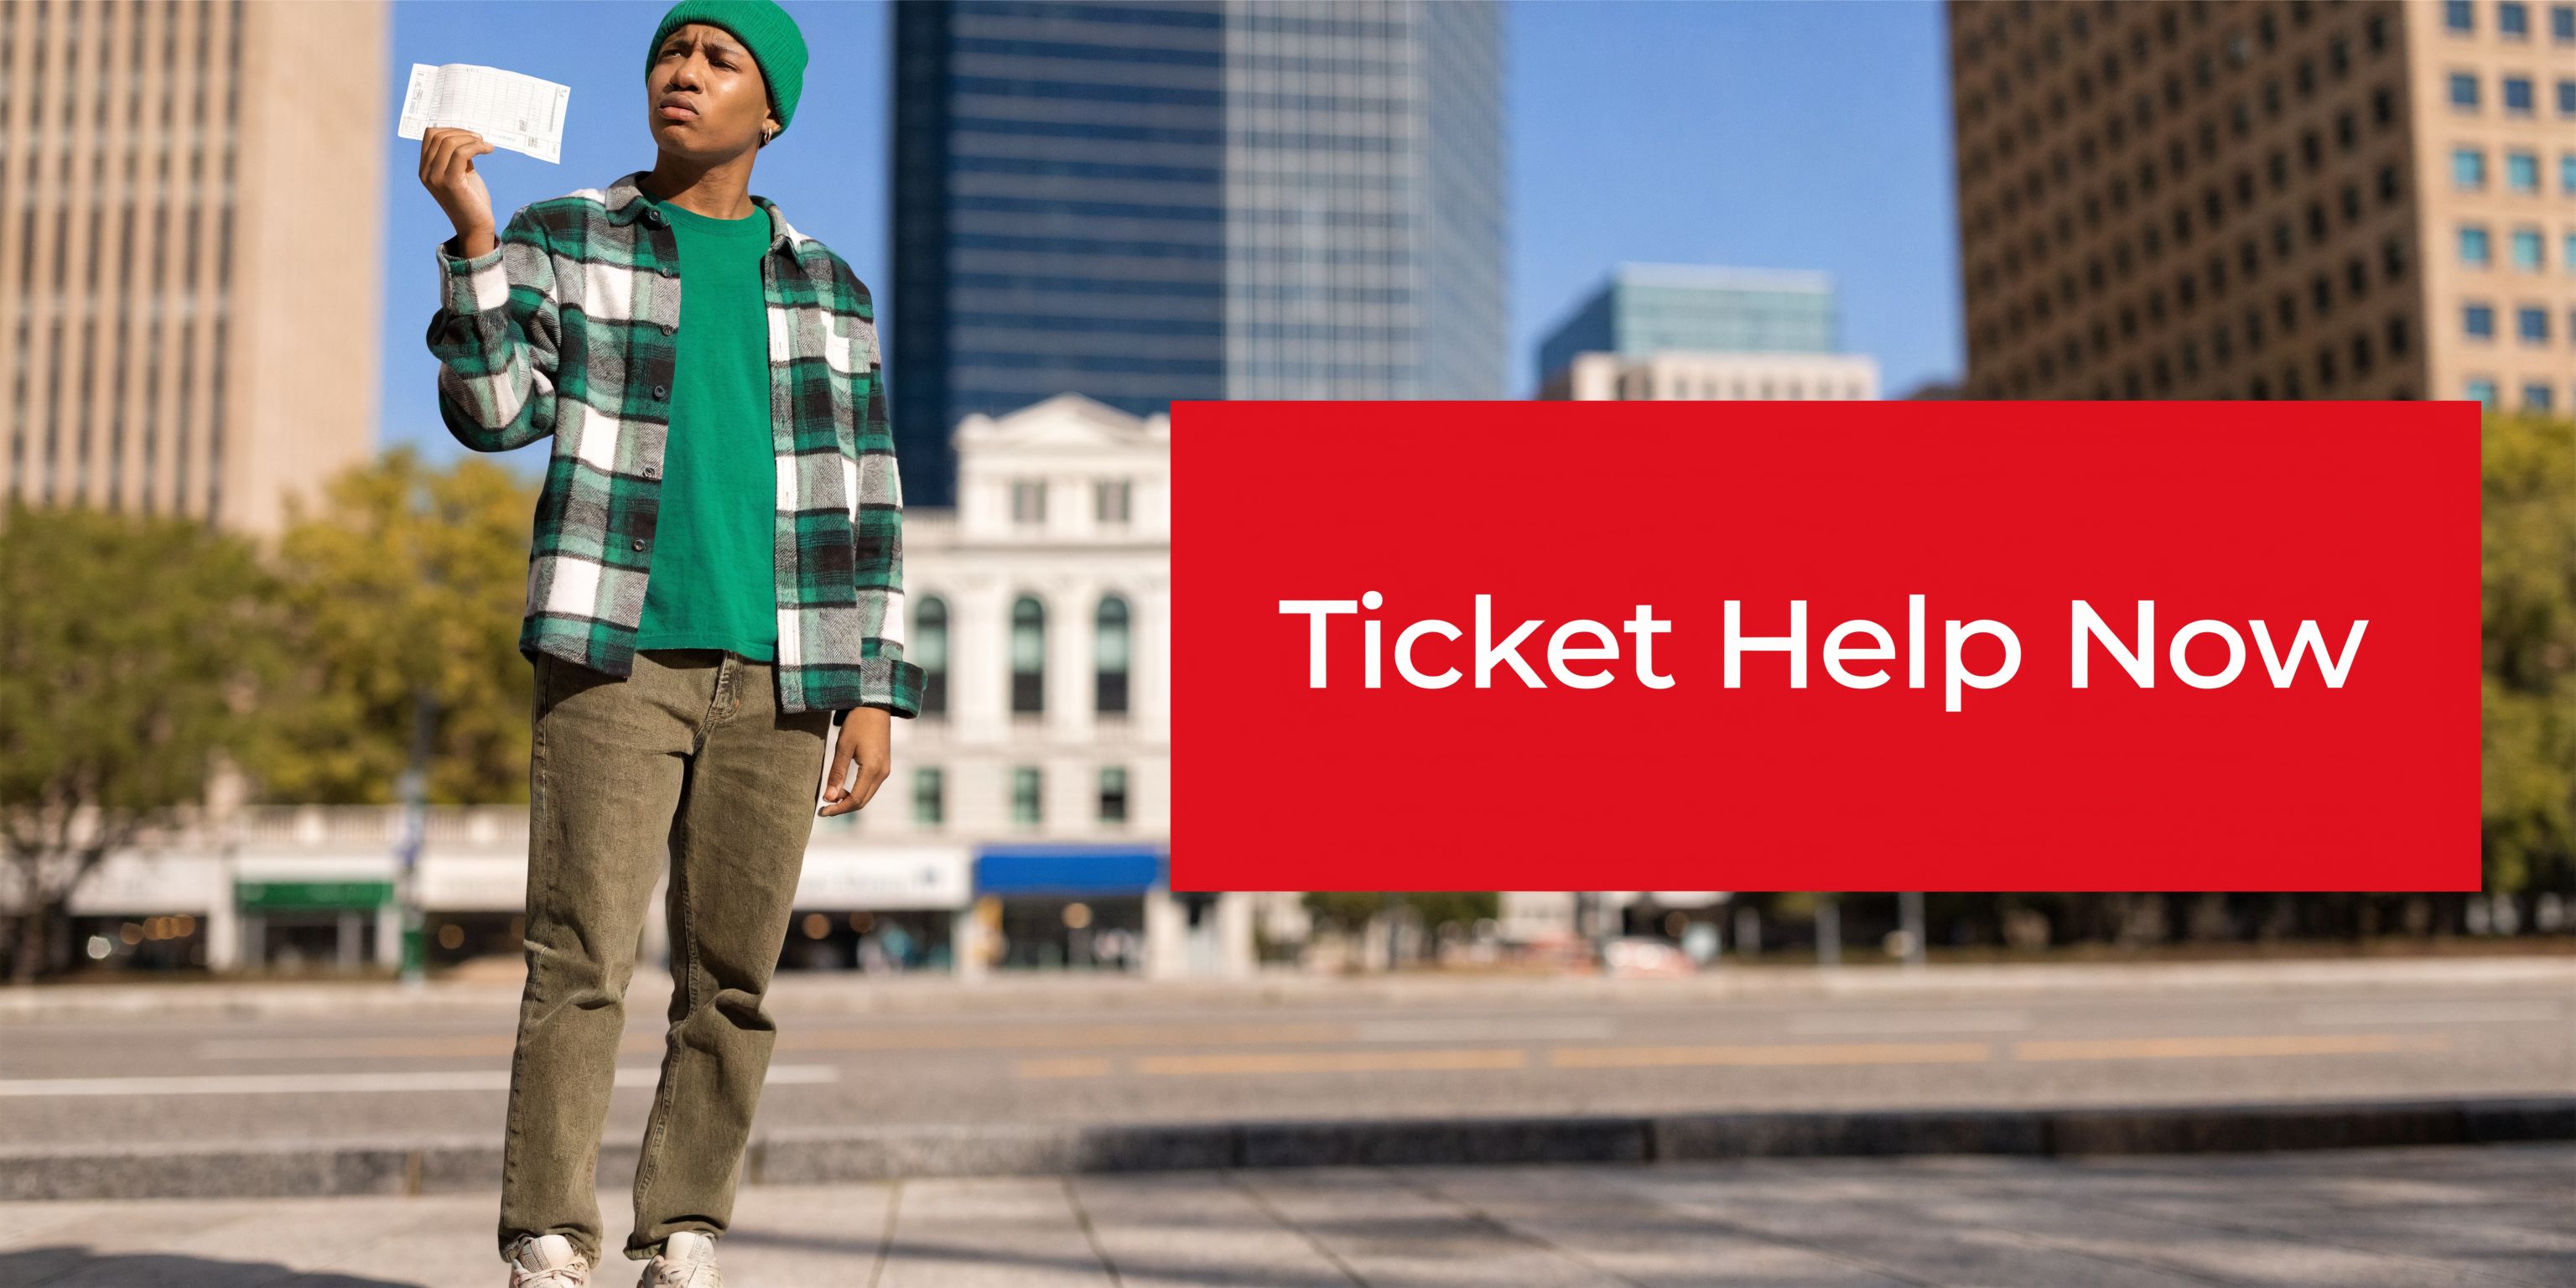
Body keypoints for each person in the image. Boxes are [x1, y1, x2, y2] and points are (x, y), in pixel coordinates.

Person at [418, 3, 922, 1284]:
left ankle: (684, 1228)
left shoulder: (829, 286)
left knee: (732, 978)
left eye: (718, 59)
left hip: (787, 667)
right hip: (613, 651)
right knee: (578, 958)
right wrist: (472, 241)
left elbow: (869, 494)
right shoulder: (568, 237)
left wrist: (872, 689)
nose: (683, 74)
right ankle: (547, 1235)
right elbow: (493, 413)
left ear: (772, 111)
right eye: (670, 53)